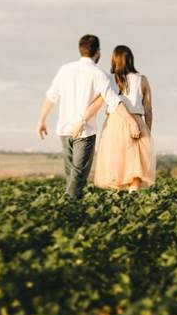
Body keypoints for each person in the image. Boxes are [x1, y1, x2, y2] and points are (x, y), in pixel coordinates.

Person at [37, 35, 141, 200]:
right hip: (85, 132)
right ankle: (68, 207)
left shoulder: (65, 70)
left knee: (71, 175)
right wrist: (132, 123)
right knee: (77, 175)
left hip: (64, 129)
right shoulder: (99, 74)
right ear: (97, 52)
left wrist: (41, 120)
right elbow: (114, 101)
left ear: (80, 49)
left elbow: (51, 97)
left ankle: (70, 210)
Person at [71, 45, 155, 192]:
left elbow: (96, 104)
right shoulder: (142, 80)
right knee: (135, 169)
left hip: (114, 124)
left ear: (114, 60)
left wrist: (81, 122)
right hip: (137, 122)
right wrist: (147, 130)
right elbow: (148, 109)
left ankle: (119, 203)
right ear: (131, 59)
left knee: (116, 166)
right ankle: (132, 197)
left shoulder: (109, 79)